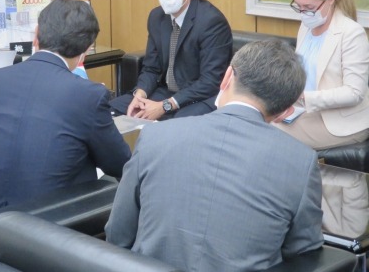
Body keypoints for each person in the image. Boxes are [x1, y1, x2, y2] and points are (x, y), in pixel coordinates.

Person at [106, 39, 324, 272]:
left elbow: (118, 234)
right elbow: (304, 254)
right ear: (286, 112)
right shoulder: (301, 162)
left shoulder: (155, 136)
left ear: (227, 77)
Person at [0, 0, 131, 212]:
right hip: (48, 223)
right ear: (87, 49)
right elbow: (119, 164)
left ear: (36, 35)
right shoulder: (88, 95)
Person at [110, 0, 232, 120]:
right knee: (111, 109)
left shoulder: (211, 21)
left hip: (201, 97)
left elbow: (210, 82)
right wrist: (139, 95)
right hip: (166, 92)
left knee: (177, 125)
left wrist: (165, 106)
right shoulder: (157, 17)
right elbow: (151, 68)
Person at [275, 0, 369, 149]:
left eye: (309, 8)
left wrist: (304, 98)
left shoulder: (352, 33)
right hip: (305, 111)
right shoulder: (306, 26)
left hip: (341, 122)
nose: (303, 14)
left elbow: (354, 92)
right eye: (299, 7)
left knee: (270, 132)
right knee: (256, 121)